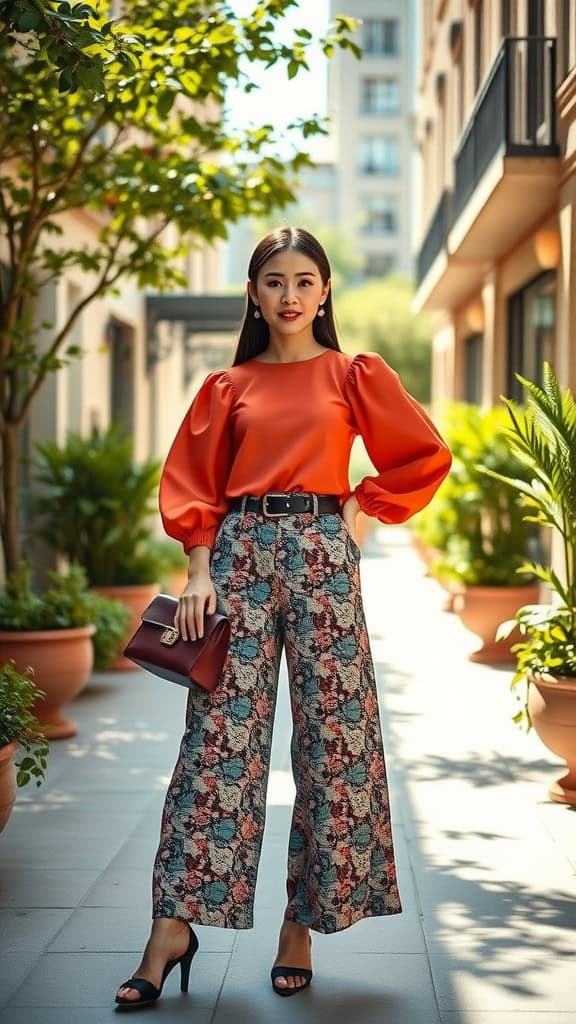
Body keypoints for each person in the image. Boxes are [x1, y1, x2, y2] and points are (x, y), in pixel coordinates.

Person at [115, 226, 451, 1006]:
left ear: (325, 292)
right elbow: (193, 481)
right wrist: (198, 568)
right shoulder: (226, 388)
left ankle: (302, 922)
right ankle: (173, 927)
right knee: (216, 742)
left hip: (323, 553)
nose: (290, 295)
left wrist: (361, 507)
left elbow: (422, 454)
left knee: (336, 738)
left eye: (305, 281)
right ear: (253, 294)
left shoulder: (352, 374)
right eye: (274, 281)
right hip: (236, 556)